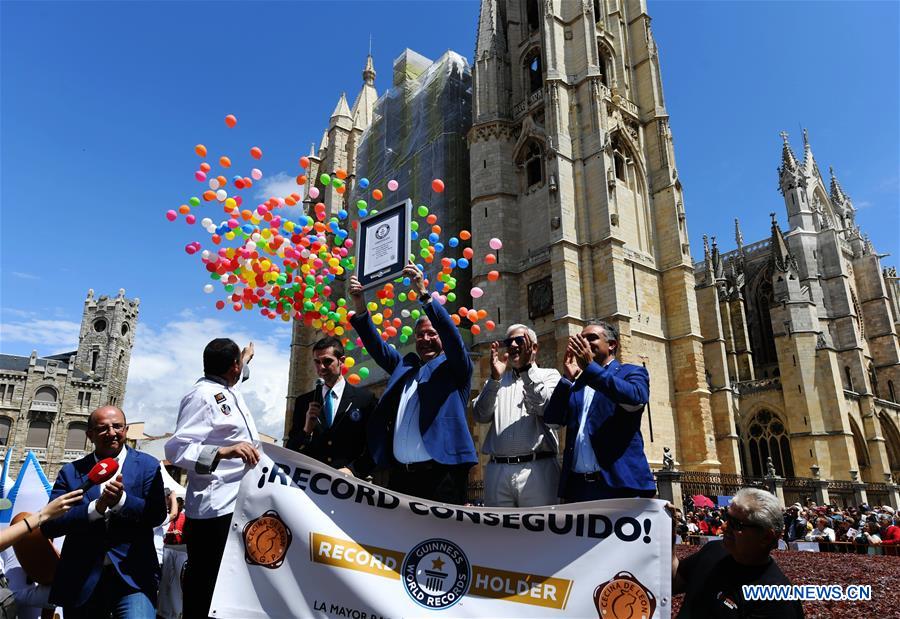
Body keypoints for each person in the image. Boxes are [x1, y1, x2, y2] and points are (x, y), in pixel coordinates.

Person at [348, 263, 477, 504]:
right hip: (401, 476)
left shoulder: (456, 368)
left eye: (432, 334)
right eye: (420, 336)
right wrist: (359, 304)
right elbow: (378, 348)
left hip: (442, 475)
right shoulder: (406, 368)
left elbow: (452, 338)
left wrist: (424, 294)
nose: (425, 339)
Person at [165, 339, 261, 619]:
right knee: (205, 589)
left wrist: (245, 358)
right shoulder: (201, 396)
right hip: (213, 511)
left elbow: (237, 380)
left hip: (238, 506)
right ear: (232, 366)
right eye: (238, 365)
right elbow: (177, 448)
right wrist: (223, 450)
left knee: (231, 587)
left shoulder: (228, 387)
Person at [42, 405, 166, 618]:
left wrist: (123, 501)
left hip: (133, 577)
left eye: (117, 426)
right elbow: (50, 525)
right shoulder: (71, 472)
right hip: (82, 580)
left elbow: (156, 515)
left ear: (126, 430)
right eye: (103, 428)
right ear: (89, 435)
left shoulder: (148, 466)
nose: (111, 433)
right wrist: (95, 509)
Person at [543, 320, 656, 502]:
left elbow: (635, 399)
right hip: (578, 488)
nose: (585, 343)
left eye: (592, 338)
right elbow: (552, 421)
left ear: (612, 345)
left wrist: (590, 369)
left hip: (618, 484)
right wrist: (567, 380)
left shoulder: (630, 372)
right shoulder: (577, 383)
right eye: (582, 338)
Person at [673, 488, 803, 618]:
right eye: (726, 517)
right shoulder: (713, 550)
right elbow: (673, 581)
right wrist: (667, 535)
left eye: (736, 524)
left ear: (766, 537)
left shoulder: (778, 600)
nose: (724, 527)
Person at [472, 324, 560, 507]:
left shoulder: (550, 376)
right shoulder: (497, 380)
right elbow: (480, 415)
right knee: (499, 532)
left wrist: (527, 371)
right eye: (508, 341)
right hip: (498, 470)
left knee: (540, 530)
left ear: (534, 347)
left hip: (537, 470)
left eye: (519, 340)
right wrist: (494, 380)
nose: (512, 345)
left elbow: (546, 408)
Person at [285, 336, 377, 475]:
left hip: (350, 484)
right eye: (317, 362)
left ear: (342, 361)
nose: (321, 367)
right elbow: (291, 449)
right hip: (311, 482)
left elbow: (374, 446)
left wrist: (353, 470)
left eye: (327, 361)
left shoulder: (364, 400)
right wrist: (306, 430)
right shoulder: (304, 402)